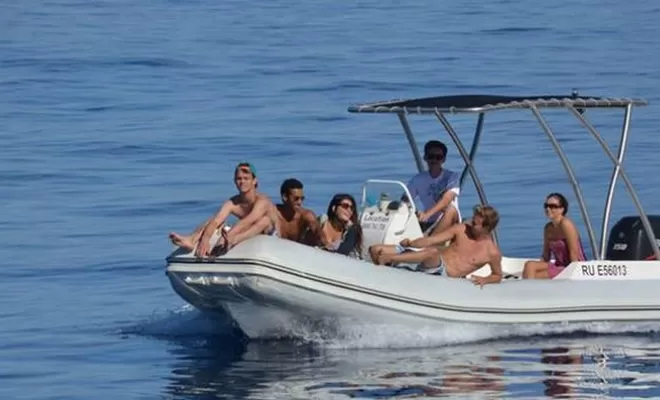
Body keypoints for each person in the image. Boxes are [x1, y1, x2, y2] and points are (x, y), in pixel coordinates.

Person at [373, 205, 503, 287]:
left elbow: (497, 275)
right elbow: (432, 240)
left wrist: (485, 280)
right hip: (429, 261)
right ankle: (381, 280)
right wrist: (411, 243)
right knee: (375, 249)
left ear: (486, 228)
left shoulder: (492, 252)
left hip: (443, 274)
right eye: (472, 220)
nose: (471, 223)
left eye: (475, 224)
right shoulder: (461, 229)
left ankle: (390, 259)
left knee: (432, 252)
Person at [168, 162, 279, 257]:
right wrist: (205, 239)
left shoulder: (263, 201)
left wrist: (230, 235)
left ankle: (232, 241)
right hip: (248, 231)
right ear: (234, 181)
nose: (242, 182)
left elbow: (248, 221)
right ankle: (191, 240)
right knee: (212, 220)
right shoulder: (232, 202)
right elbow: (216, 220)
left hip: (270, 233)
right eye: (239, 179)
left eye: (246, 179)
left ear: (254, 181)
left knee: (264, 221)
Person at [522, 193, 586, 279]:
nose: (548, 209)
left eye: (552, 206)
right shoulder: (548, 228)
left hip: (572, 266)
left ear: (561, 209)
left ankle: (529, 290)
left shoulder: (566, 224)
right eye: (546, 206)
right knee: (529, 265)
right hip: (559, 265)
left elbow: (574, 253)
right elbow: (546, 256)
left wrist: (573, 276)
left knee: (535, 275)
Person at [405, 140, 461, 235]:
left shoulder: (452, 177)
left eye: (438, 157)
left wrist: (427, 214)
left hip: (449, 219)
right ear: (425, 158)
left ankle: (429, 242)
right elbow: (406, 199)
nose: (434, 160)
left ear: (443, 160)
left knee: (450, 210)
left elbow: (446, 199)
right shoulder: (418, 179)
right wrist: (415, 211)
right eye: (431, 156)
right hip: (429, 221)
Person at [276, 178, 321, 244]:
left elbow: (317, 230)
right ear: (285, 197)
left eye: (302, 198)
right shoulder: (273, 212)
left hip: (297, 251)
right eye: (296, 198)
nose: (300, 202)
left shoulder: (305, 215)